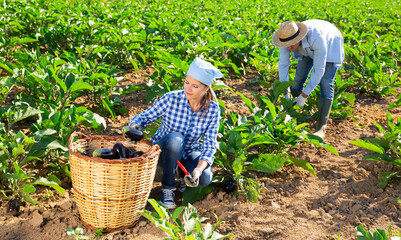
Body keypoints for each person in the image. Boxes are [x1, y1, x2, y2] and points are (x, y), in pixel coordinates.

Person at [128, 57, 223, 209]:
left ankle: (182, 175)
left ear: (206, 88)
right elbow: (143, 117)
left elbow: (210, 145)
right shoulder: (171, 99)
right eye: (186, 83)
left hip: (188, 153)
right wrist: (134, 127)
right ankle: (168, 188)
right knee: (176, 139)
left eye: (195, 86)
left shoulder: (212, 110)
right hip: (163, 150)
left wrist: (198, 170)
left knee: (205, 177)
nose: (188, 89)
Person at [272, 19, 345, 139]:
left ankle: (321, 127)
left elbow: (319, 70)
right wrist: (285, 92)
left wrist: (304, 96)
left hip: (330, 41)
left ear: (298, 39)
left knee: (326, 82)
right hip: (306, 47)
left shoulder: (317, 38)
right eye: (287, 45)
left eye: (291, 45)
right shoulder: (285, 39)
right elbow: (283, 65)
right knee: (299, 78)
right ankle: (292, 117)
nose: (289, 48)